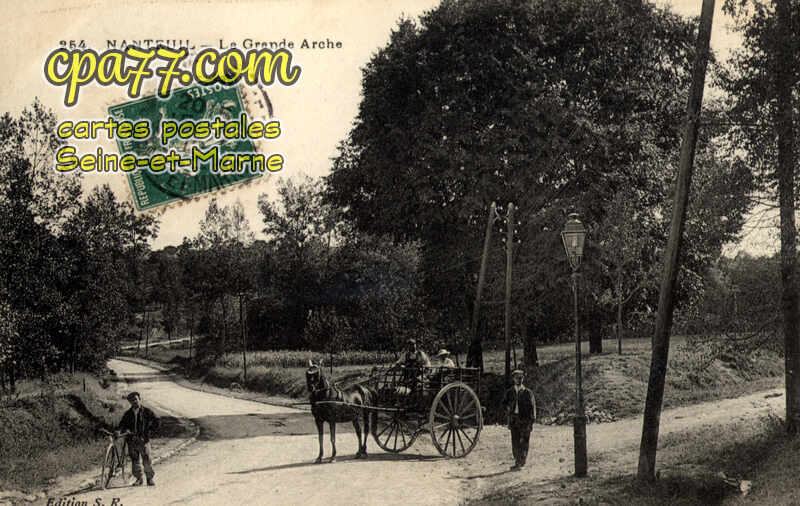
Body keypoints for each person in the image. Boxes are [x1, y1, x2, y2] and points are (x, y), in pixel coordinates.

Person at [118, 391, 160, 486]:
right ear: (130, 402)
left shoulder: (147, 412)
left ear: (140, 400)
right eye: (132, 400)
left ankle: (149, 479)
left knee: (147, 459)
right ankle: (139, 479)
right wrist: (119, 430)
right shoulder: (128, 414)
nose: (134, 402)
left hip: (143, 439)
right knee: (135, 460)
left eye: (136, 399)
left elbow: (156, 421)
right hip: (132, 440)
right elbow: (122, 425)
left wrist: (149, 431)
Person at [502, 369, 536, 471]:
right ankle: (517, 461)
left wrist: (531, 421)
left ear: (523, 379)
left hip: (524, 420)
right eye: (517, 378)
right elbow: (503, 403)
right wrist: (508, 411)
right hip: (514, 419)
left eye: (520, 378)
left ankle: (522, 461)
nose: (519, 380)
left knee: (524, 440)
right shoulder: (510, 392)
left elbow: (532, 407)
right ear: (513, 379)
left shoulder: (527, 392)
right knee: (515, 441)